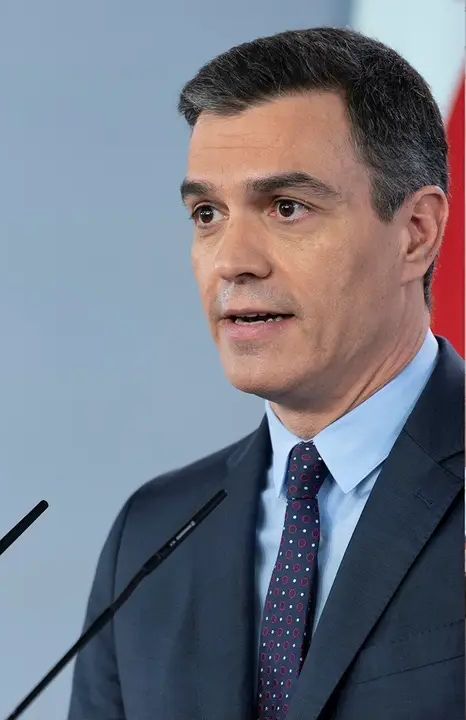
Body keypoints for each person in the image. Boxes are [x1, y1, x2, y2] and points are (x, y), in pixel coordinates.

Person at [67, 27, 463, 720]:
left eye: (287, 208)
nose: (232, 261)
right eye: (207, 214)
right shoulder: (153, 533)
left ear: (417, 233)